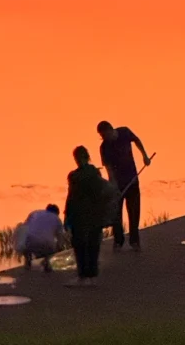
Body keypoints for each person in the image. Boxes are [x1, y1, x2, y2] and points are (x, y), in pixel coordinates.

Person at [97, 120, 150, 251]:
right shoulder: (104, 147)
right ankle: (118, 241)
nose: (103, 138)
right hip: (117, 184)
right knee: (116, 214)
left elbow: (137, 140)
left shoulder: (125, 132)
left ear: (110, 130)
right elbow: (108, 168)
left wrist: (145, 156)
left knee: (134, 211)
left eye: (104, 135)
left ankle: (134, 241)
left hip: (132, 179)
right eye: (101, 136)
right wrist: (113, 185)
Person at [65, 146, 107, 286]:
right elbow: (102, 193)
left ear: (76, 158)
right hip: (95, 214)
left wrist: (67, 217)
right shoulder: (95, 173)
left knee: (80, 245)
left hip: (80, 214)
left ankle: (83, 276)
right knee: (93, 245)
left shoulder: (74, 176)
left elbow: (71, 198)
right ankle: (92, 276)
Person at [16, 203, 66, 271]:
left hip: (29, 243)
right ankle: (46, 261)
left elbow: (24, 228)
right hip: (46, 245)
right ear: (57, 213)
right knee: (47, 246)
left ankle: (28, 260)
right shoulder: (57, 219)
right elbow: (61, 239)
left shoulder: (34, 213)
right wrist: (60, 249)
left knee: (27, 238)